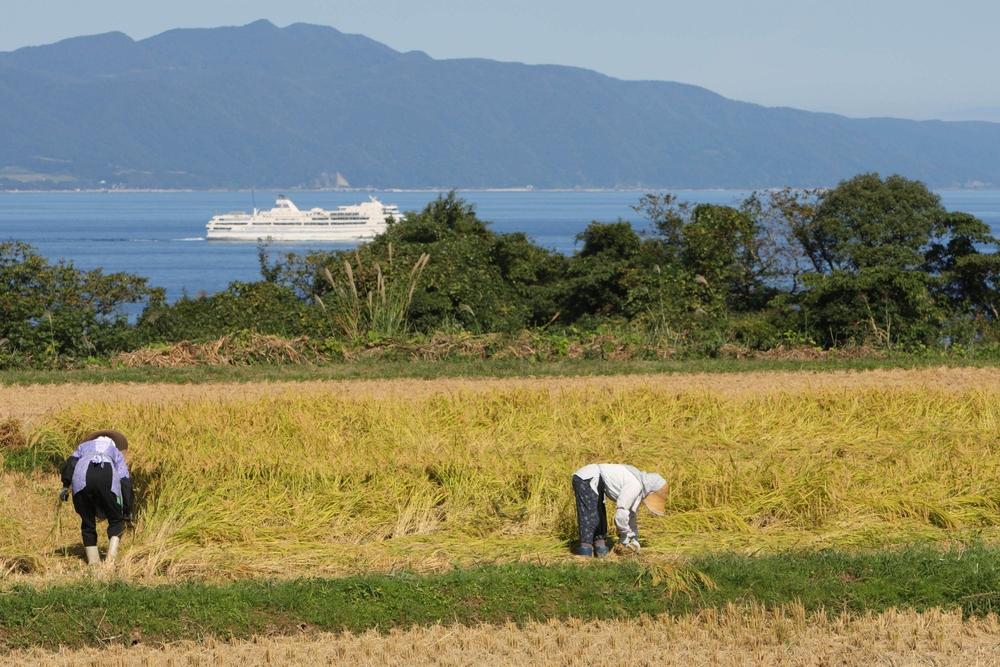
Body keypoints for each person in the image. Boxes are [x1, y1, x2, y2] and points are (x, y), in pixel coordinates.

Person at [59, 430, 134, 566]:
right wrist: (127, 510)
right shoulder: (115, 452)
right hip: (106, 478)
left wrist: (65, 486)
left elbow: (70, 465)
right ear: (113, 443)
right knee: (116, 520)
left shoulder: (82, 447)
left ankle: (93, 563)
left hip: (81, 480)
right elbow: (125, 481)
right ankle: (110, 561)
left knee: (87, 522)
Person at [571, 463, 667, 557]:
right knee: (590, 514)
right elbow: (622, 512)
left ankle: (600, 547)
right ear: (651, 490)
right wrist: (625, 535)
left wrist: (634, 539)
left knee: (600, 514)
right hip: (586, 477)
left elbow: (630, 515)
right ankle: (585, 549)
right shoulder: (634, 485)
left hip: (598, 479)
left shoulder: (639, 485)